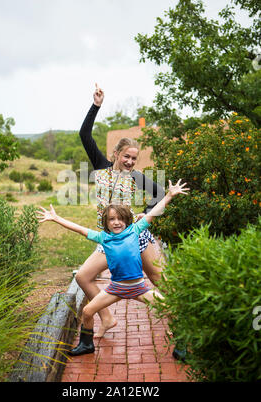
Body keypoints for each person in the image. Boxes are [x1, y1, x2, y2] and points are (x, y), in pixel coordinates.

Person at [36, 179, 189, 356]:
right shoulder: (103, 238)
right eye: (112, 219)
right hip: (116, 288)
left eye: (120, 219)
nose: (116, 222)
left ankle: (181, 347)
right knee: (87, 311)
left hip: (138, 288)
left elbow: (154, 212)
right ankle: (87, 345)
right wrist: (56, 219)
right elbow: (79, 229)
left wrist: (170, 195)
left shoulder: (135, 230)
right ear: (106, 223)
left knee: (169, 307)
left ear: (127, 220)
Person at [75, 83, 166, 337]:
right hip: (109, 239)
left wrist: (143, 213)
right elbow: (84, 135)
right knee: (83, 277)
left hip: (135, 237)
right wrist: (96, 106)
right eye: (126, 156)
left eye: (134, 158)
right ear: (116, 153)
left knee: (160, 282)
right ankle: (106, 317)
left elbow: (159, 195)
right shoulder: (101, 167)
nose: (130, 161)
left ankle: (180, 324)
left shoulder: (136, 176)